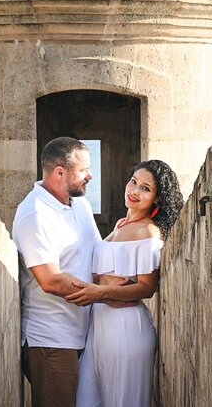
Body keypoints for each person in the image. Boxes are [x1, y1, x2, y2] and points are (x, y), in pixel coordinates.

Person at [13, 137, 128, 407]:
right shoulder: (35, 213)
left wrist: (123, 232)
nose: (90, 175)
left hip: (84, 334)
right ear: (60, 172)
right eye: (83, 169)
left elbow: (92, 252)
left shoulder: (81, 205)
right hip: (51, 340)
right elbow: (50, 279)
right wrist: (103, 294)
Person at [65, 159, 184, 407]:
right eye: (133, 182)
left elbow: (147, 288)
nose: (134, 191)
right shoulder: (121, 224)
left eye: (145, 188)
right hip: (99, 326)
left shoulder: (148, 232)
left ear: (157, 200)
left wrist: (101, 292)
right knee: (86, 401)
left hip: (125, 328)